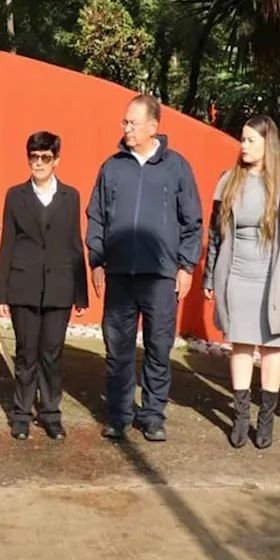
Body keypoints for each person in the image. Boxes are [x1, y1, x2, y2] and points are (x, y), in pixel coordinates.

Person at [87, 94, 203, 443]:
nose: (126, 128)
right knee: (118, 348)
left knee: (158, 347)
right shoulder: (112, 167)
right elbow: (97, 215)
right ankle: (120, 415)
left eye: (132, 123)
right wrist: (96, 258)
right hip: (120, 274)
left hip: (160, 276)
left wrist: (186, 265)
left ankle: (152, 415)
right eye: (124, 122)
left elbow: (192, 221)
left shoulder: (176, 167)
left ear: (154, 126)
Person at [202, 115, 280, 449]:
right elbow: (216, 235)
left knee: (272, 346)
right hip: (237, 275)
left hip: (274, 277)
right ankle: (241, 416)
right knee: (241, 343)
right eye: (242, 140)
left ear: (268, 143)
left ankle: (266, 419)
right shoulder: (229, 180)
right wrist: (209, 275)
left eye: (251, 140)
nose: (244, 146)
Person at [0, 131, 88, 442]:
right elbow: (8, 243)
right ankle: (21, 414)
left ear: (56, 160)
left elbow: (76, 244)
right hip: (24, 285)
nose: (39, 163)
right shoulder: (15, 195)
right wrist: (2, 292)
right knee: (26, 354)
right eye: (34, 157)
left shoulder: (71, 196)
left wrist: (80, 292)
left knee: (52, 354)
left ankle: (50, 414)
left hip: (60, 286)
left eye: (45, 158)